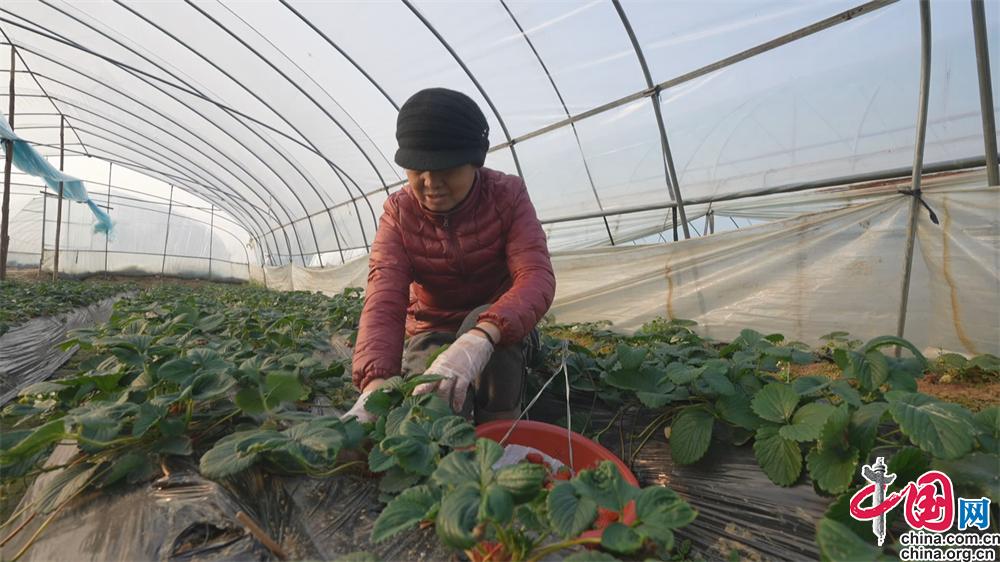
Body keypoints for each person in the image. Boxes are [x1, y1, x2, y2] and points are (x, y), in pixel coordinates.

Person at [342, 87, 555, 424]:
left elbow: (536, 276)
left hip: (498, 326)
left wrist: (482, 336)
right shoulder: (400, 213)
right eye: (417, 169)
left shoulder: (507, 196)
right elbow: (384, 295)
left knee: (491, 346)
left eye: (446, 169)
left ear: (474, 161)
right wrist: (375, 383)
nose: (430, 182)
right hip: (431, 327)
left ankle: (500, 426)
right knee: (427, 405)